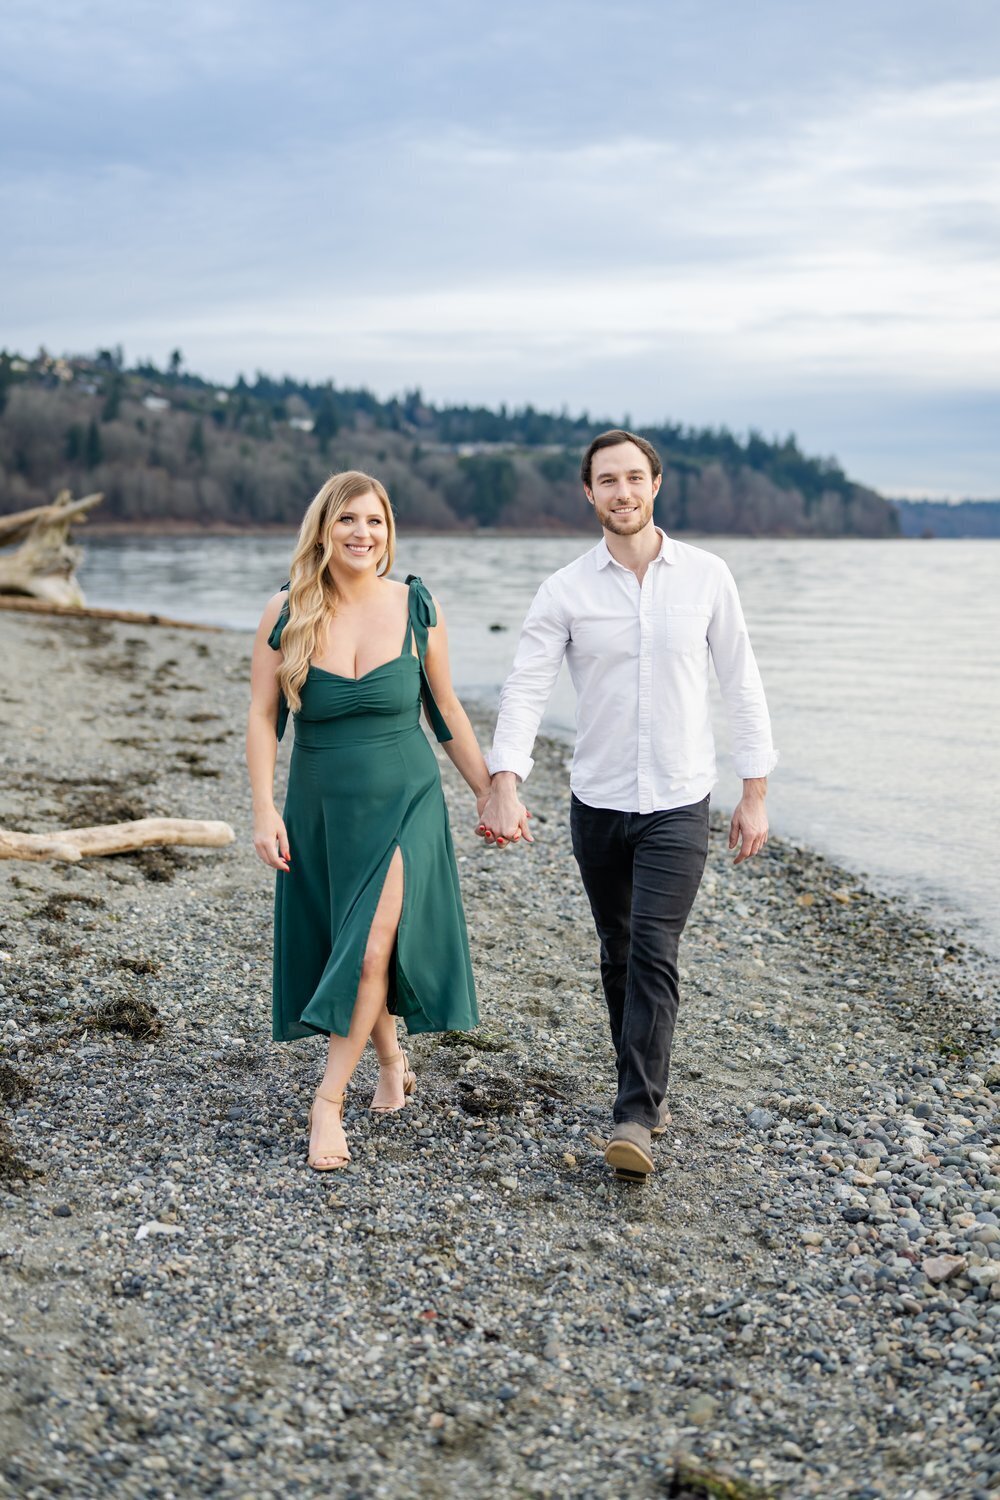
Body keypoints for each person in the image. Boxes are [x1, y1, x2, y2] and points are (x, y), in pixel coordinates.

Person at [477, 430, 777, 1181]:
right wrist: (505, 778)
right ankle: (639, 1082)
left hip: (680, 799)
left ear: (657, 484)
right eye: (607, 480)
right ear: (589, 493)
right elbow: (527, 687)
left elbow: (742, 683)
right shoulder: (565, 590)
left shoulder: (708, 577)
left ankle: (636, 1113)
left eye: (634, 478)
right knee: (617, 949)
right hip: (598, 801)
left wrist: (755, 792)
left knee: (653, 948)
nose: (622, 492)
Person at [247, 470, 491, 1171]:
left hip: (406, 800)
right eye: (349, 520)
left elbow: (443, 709)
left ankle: (326, 1104)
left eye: (376, 522)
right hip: (321, 806)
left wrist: (488, 791)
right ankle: (391, 1060)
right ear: (324, 529)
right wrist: (264, 807)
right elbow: (264, 718)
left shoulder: (416, 604)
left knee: (376, 941)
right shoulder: (286, 611)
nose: (363, 534)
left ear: (390, 532)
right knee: (353, 947)